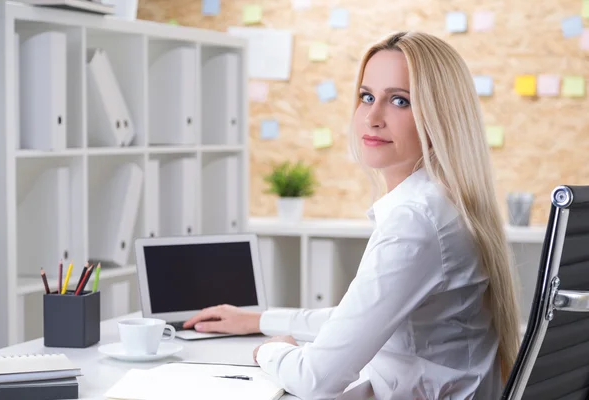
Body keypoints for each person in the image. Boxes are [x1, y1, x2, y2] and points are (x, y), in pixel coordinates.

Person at [183, 31, 521, 399]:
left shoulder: (416, 220)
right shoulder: (445, 204)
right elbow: (359, 320)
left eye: (399, 101)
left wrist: (271, 348)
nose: (372, 117)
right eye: (366, 97)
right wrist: (259, 320)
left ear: (440, 114)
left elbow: (316, 380)